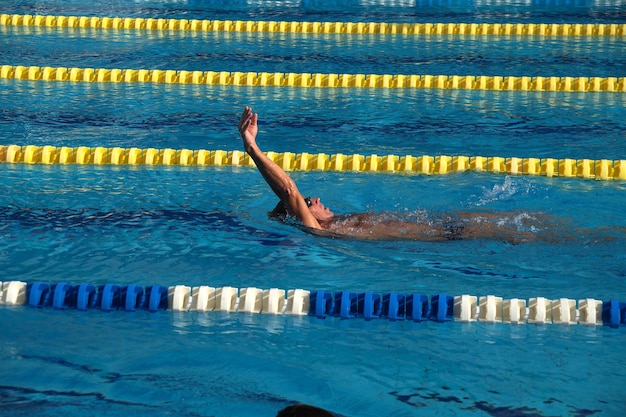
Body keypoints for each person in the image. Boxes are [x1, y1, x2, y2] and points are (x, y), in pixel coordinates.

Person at [238, 106, 552, 243]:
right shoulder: (319, 230)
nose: (316, 198)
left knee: (526, 219)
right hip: (441, 236)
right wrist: (252, 147)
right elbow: (289, 191)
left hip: (440, 225)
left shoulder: (340, 223)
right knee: (530, 230)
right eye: (310, 202)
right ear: (305, 215)